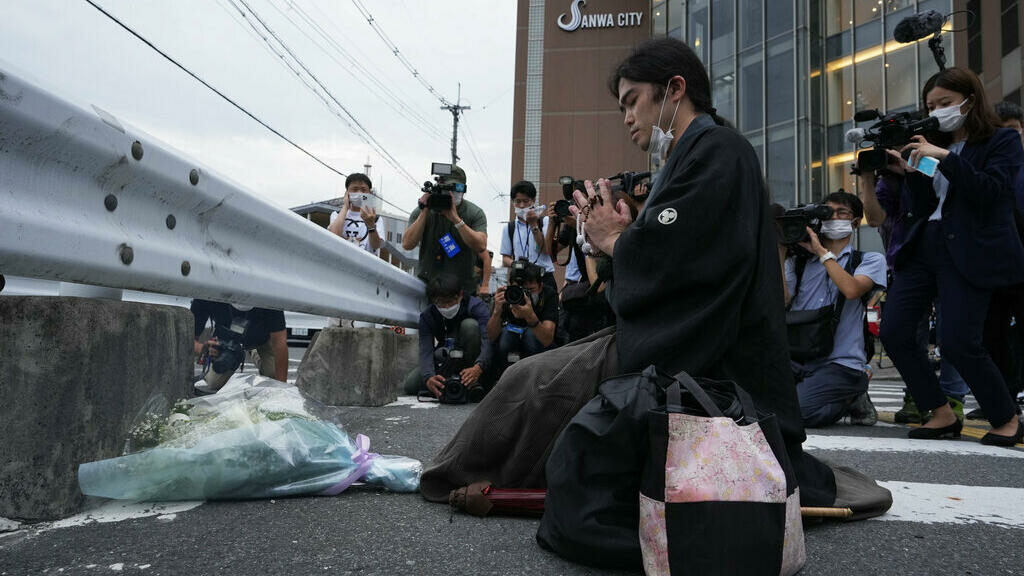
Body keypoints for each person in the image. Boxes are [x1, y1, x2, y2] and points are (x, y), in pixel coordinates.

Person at [421, 38, 886, 517]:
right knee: (531, 377)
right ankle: (468, 471)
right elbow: (663, 253)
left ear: (674, 90)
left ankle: (454, 477)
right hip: (673, 336)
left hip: (702, 356)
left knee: (531, 381)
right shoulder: (694, 157)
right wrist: (627, 234)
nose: (626, 117)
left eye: (632, 101)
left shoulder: (719, 151)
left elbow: (675, 262)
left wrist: (616, 240)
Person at [878, 67, 1024, 446]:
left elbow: (992, 191)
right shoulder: (925, 144)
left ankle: (1005, 416)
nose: (937, 110)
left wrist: (943, 155)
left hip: (970, 250)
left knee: (960, 341)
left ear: (970, 100)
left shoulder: (1003, 140)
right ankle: (939, 412)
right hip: (925, 243)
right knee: (894, 329)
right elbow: (922, 205)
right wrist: (908, 173)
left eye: (945, 103)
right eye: (930, 104)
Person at [860, 164, 970, 425]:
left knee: (951, 333)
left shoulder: (933, 162)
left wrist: (914, 168)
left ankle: (953, 397)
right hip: (905, 262)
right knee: (904, 333)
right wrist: (867, 178)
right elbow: (875, 218)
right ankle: (920, 397)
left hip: (948, 257)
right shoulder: (887, 182)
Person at [781, 192, 887, 427]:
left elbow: (851, 290)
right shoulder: (798, 262)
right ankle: (837, 396)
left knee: (797, 415)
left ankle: (850, 396)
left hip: (841, 363)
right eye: (828, 213)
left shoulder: (868, 260)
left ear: (855, 222)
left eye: (842, 213)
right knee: (762, 405)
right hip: (797, 356)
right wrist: (781, 251)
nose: (834, 218)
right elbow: (780, 300)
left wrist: (821, 252)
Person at [975, 100, 1024, 419]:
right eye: (1000, 131)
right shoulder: (988, 165)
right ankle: (1003, 399)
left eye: (1014, 130)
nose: (1008, 137)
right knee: (992, 335)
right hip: (996, 262)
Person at [402, 165, 487, 295]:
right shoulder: (423, 211)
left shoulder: (474, 213)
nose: (451, 193)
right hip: (429, 287)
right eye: (446, 188)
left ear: (463, 189)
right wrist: (425, 210)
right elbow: (407, 244)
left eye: (455, 188)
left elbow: (481, 245)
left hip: (462, 290)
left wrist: (456, 220)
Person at [402, 274, 491, 399]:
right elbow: (425, 349)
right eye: (441, 303)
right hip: (447, 358)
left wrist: (479, 366)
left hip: (472, 358)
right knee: (411, 384)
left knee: (470, 326)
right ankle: (449, 384)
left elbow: (488, 339)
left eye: (450, 302)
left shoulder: (476, 306)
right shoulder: (428, 316)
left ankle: (475, 382)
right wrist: (429, 377)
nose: (447, 307)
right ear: (433, 301)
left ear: (460, 295)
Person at [191, 299, 288, 392]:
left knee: (274, 374)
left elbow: (280, 343)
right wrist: (205, 349)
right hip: (225, 344)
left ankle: (254, 353)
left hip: (262, 341)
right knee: (214, 382)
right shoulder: (209, 293)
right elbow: (188, 340)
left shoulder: (269, 296)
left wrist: (282, 389)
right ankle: (237, 355)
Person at [487, 260, 558, 380]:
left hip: (538, 343)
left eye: (530, 290)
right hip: (510, 339)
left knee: (531, 336)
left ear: (541, 286)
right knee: (505, 339)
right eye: (520, 290)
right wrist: (496, 311)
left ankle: (535, 380)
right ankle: (504, 380)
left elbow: (547, 339)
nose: (524, 296)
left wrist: (530, 317)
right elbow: (491, 337)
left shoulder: (548, 294)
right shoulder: (507, 295)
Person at [499, 180, 557, 292]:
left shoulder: (545, 222)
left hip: (544, 277)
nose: (521, 206)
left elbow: (545, 250)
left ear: (534, 200)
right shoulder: (509, 228)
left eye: (526, 201)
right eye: (517, 201)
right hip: (520, 278)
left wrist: (533, 225)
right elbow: (505, 258)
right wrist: (515, 264)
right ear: (513, 202)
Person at [327, 172, 383, 255]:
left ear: (369, 193)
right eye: (355, 189)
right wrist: (345, 206)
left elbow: (376, 246)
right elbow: (333, 235)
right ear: (347, 193)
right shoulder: (336, 214)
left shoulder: (376, 218)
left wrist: (371, 225)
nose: (359, 193)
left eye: (364, 190)